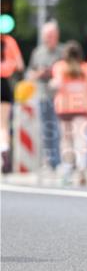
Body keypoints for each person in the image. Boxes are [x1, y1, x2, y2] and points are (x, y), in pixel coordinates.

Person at [51, 41, 87, 186]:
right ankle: (82, 166)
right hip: (82, 106)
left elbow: (56, 84)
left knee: (66, 139)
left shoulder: (60, 67)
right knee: (81, 138)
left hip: (64, 107)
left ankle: (68, 168)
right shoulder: (86, 68)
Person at [27, 20, 63, 172]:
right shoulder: (38, 53)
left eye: (52, 35)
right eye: (47, 36)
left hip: (59, 97)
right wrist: (39, 73)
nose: (49, 39)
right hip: (43, 96)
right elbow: (29, 73)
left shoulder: (62, 52)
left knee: (58, 128)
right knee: (46, 128)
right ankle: (49, 160)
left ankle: (59, 160)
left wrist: (54, 72)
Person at [0, 33, 25, 173]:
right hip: (4, 84)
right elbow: (20, 65)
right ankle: (4, 149)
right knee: (3, 124)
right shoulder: (9, 41)